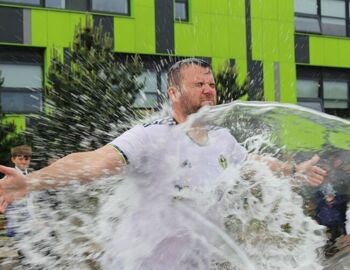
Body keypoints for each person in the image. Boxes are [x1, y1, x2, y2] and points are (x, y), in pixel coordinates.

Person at [0, 59, 327, 267]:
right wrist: (32, 181)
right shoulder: (150, 136)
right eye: (199, 84)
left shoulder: (222, 137)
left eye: (212, 84)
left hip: (197, 262)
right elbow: (95, 161)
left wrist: (292, 170)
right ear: (173, 92)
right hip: (139, 262)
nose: (209, 90)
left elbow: (251, 163)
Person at [4, 145, 33, 237]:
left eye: (26, 159)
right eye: (20, 159)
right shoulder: (8, 178)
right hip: (17, 225)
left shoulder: (32, 176)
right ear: (13, 159)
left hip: (31, 223)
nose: (24, 162)